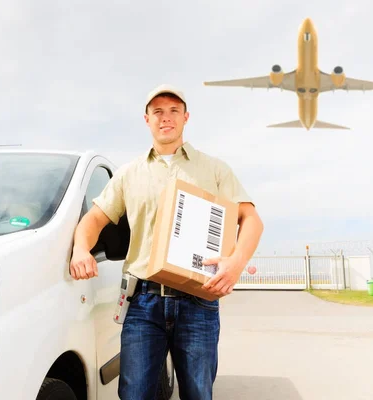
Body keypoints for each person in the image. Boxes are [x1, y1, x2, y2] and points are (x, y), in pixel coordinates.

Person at [69, 84, 264, 400]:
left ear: (186, 117)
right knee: (135, 394)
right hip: (144, 302)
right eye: (158, 111)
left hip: (199, 302)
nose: (166, 118)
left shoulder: (214, 169)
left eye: (174, 111)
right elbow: (92, 221)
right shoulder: (129, 174)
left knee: (198, 394)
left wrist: (236, 262)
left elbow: (251, 219)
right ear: (146, 119)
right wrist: (81, 249)